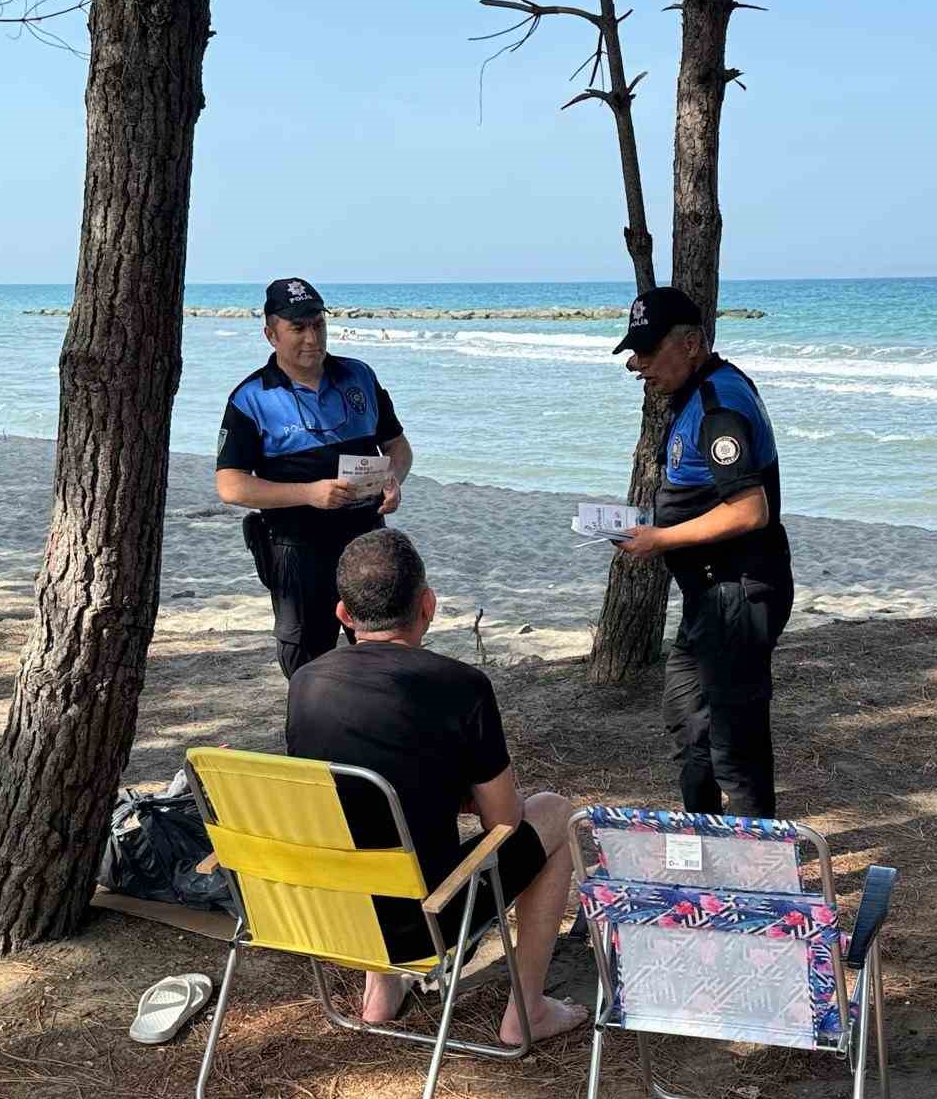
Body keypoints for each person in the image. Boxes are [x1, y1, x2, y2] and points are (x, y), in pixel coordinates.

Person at [285, 529, 587, 1045]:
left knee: (362, 826)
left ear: (343, 615)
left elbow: (338, 789)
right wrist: (460, 792)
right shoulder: (461, 686)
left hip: (325, 914)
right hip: (424, 921)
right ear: (428, 605)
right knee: (554, 813)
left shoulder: (306, 682)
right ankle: (528, 1011)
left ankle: (382, 992)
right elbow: (504, 822)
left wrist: (434, 788)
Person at [611, 287, 794, 818]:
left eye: (648, 351)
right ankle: (702, 838)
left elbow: (750, 510)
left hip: (737, 592)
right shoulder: (696, 393)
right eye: (634, 351)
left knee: (735, 745)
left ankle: (755, 857)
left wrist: (660, 539)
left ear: (691, 344)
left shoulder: (719, 406)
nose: (637, 365)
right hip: (709, 597)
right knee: (688, 720)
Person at [216, 278, 414, 679]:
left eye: (318, 325)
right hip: (297, 551)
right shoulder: (250, 398)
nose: (312, 338)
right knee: (308, 670)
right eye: (298, 328)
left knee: (387, 660)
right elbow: (231, 485)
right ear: (271, 334)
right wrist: (310, 493)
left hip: (368, 543)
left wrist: (393, 479)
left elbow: (397, 446)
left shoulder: (359, 377)